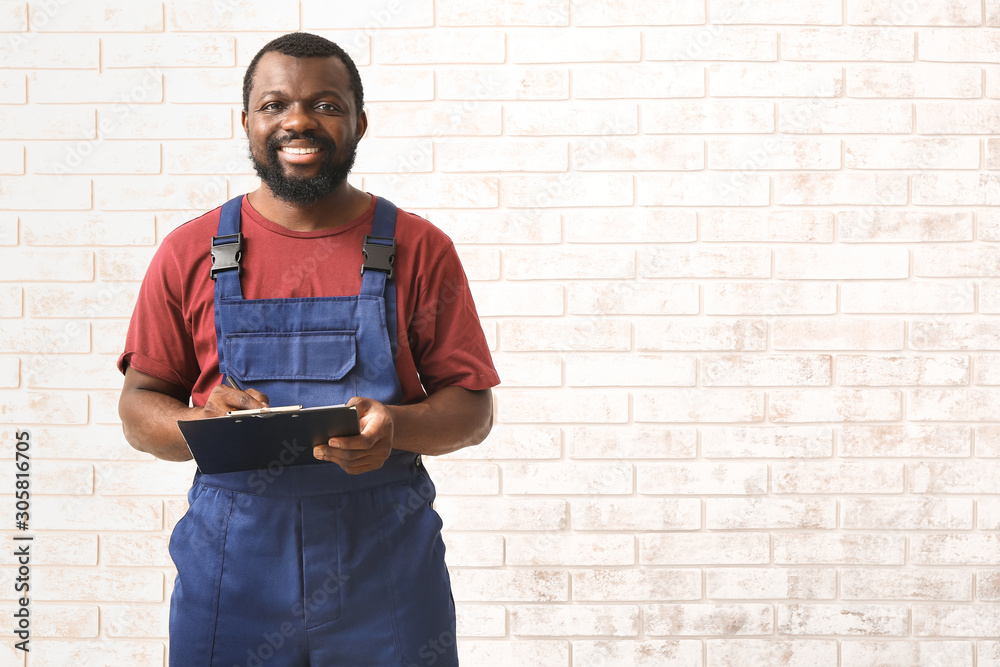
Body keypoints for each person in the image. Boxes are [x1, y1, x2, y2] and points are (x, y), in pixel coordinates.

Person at [117, 32, 498, 667]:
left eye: (325, 104)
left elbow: (473, 411)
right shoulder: (189, 252)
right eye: (274, 105)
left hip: (386, 568)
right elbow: (137, 409)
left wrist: (395, 426)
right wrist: (199, 423)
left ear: (359, 122)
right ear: (246, 121)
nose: (298, 121)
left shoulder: (418, 248)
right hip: (231, 568)